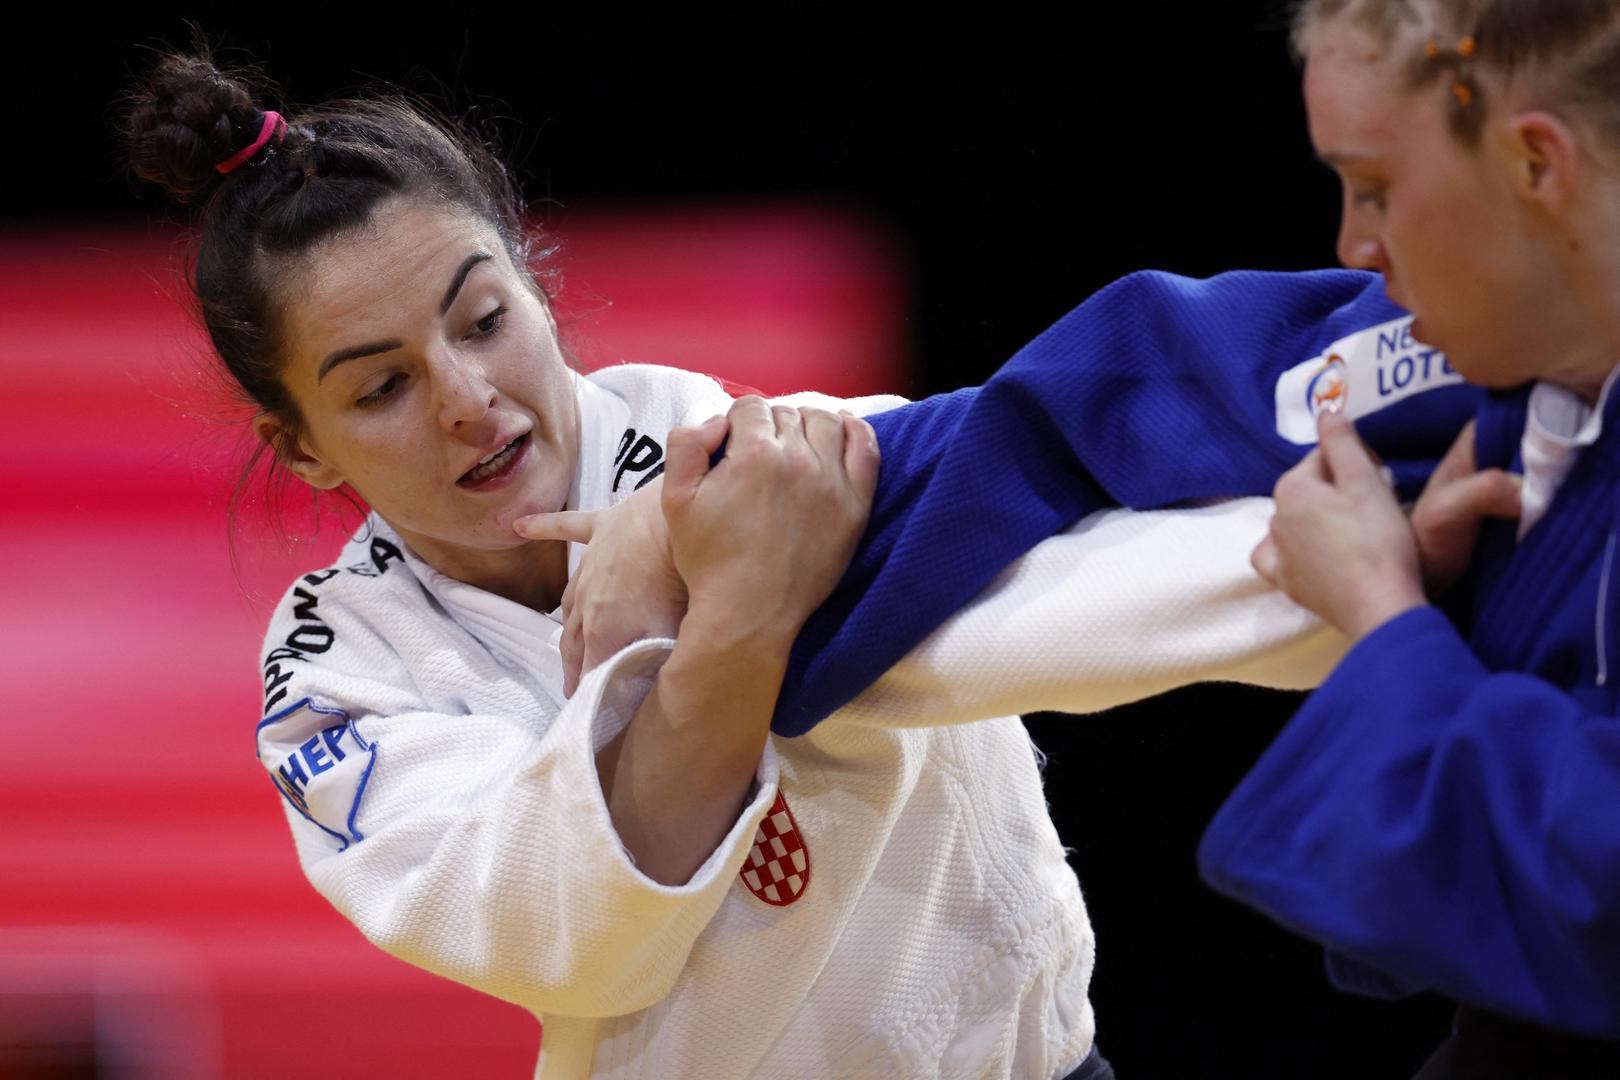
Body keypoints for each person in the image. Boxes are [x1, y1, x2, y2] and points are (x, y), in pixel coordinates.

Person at [127, 51, 1367, 1080]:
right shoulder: (342, 681)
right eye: (382, 388)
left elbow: (1054, 600)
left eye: (485, 320)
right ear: (304, 447)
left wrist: (1379, 580)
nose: (466, 397)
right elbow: (569, 930)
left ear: (537, 286)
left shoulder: (753, 444)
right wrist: (734, 615)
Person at [1197, 0, 1620, 1073]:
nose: (1353, 247)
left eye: (1375, 187)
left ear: (1537, 163)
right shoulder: (1548, 398)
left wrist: (1383, 618)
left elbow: (1602, 888)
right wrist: (1442, 612)